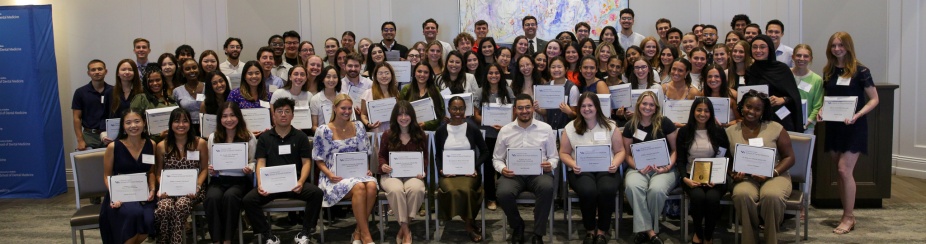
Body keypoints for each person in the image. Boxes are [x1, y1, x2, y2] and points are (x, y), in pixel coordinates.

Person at [820, 31, 880, 235]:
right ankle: (846, 214)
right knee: (840, 173)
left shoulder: (861, 71)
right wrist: (822, 110)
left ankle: (848, 216)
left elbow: (874, 99)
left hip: (854, 126)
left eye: (841, 45)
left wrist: (858, 114)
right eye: (833, 45)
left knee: (844, 170)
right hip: (834, 126)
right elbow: (828, 98)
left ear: (848, 47)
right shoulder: (828, 71)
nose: (837, 49)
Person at [241, 98, 324, 244]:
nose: (283, 114)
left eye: (287, 111)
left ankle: (305, 233)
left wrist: (301, 182)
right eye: (279, 111)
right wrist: (260, 184)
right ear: (274, 115)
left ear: (292, 115)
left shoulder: (301, 137)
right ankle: (268, 235)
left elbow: (306, 163)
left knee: (316, 193)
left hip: (294, 185)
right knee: (249, 200)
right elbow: (261, 162)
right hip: (270, 186)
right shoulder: (265, 138)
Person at [729, 90, 796, 244]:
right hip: (746, 178)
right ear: (742, 106)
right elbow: (727, 160)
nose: (751, 111)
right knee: (742, 194)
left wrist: (772, 172)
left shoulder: (776, 128)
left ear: (763, 111)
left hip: (775, 175)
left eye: (757, 109)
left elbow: (790, 157)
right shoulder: (730, 131)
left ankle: (770, 239)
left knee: (772, 196)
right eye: (748, 106)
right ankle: (749, 240)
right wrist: (733, 174)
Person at [559, 92, 626, 243]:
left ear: (597, 107)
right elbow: (563, 153)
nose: (587, 109)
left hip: (607, 169)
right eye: (583, 106)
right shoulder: (570, 128)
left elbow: (620, 151)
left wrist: (615, 163)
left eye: (590, 105)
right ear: (579, 108)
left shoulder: (610, 126)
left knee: (606, 189)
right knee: (588, 191)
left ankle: (602, 230)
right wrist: (572, 164)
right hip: (580, 170)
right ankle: (589, 230)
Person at [313, 94, 379, 244]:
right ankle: (366, 236)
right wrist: (329, 174)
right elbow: (318, 159)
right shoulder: (323, 130)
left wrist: (367, 169)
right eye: (343, 108)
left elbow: (364, 153)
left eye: (349, 108)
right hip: (333, 177)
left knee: (371, 185)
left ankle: (358, 232)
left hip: (357, 173)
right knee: (359, 187)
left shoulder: (359, 126)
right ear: (334, 108)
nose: (347, 111)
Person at [493, 94, 559, 243]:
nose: (524, 111)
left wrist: (550, 164)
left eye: (527, 107)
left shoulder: (545, 128)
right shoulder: (505, 130)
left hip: (539, 173)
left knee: (547, 188)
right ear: (515, 110)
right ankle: (517, 226)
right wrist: (502, 169)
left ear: (533, 109)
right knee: (503, 193)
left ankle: (538, 233)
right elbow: (497, 159)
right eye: (520, 108)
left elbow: (554, 157)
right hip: (513, 175)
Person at [622, 91, 678, 244]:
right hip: (639, 168)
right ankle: (651, 232)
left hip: (664, 169)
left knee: (656, 190)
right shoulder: (630, 126)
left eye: (651, 105)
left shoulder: (665, 123)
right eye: (644, 103)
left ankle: (643, 230)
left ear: (656, 107)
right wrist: (638, 167)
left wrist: (667, 167)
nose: (647, 107)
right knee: (633, 186)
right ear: (638, 105)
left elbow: (675, 150)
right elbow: (626, 155)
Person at [675, 97, 731, 244]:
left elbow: (726, 157)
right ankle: (698, 232)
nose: (702, 114)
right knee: (698, 197)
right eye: (699, 110)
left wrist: (718, 178)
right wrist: (684, 178)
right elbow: (680, 160)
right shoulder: (684, 131)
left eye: (706, 111)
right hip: (691, 175)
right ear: (693, 111)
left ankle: (708, 235)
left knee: (712, 198)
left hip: (716, 177)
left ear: (711, 113)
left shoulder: (718, 131)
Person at [434, 96, 489, 242]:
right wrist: (441, 170)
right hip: (448, 174)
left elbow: (485, 152)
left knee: (466, 190)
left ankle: (469, 226)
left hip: (469, 173)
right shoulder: (441, 131)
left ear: (465, 110)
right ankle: (468, 219)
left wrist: (474, 166)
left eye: (461, 108)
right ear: (449, 110)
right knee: (452, 190)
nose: (457, 112)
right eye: (454, 108)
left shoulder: (472, 129)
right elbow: (438, 156)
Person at [99, 108, 156, 244]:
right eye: (128, 122)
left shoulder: (151, 144)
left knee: (150, 218)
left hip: (144, 194)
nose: (133, 126)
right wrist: (115, 196)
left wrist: (153, 189)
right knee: (133, 213)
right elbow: (107, 176)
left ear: (144, 123)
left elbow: (151, 172)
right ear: (123, 126)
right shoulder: (113, 147)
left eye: (137, 121)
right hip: (120, 195)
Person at [152, 108, 208, 244]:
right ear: (171, 124)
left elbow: (204, 169)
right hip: (169, 191)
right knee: (164, 207)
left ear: (190, 123)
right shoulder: (162, 146)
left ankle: (173, 241)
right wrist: (162, 188)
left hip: (192, 190)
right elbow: (158, 172)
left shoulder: (199, 143)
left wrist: (197, 186)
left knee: (182, 204)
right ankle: (164, 240)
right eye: (177, 121)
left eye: (185, 121)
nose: (181, 125)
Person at [377, 101, 428, 244]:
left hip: (413, 175)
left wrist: (423, 170)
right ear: (395, 116)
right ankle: (406, 232)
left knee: (417, 189)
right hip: (391, 175)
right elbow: (381, 156)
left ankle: (402, 229)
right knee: (396, 190)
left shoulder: (420, 134)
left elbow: (425, 157)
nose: (404, 118)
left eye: (407, 114)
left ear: (412, 116)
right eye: (400, 114)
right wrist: (383, 165)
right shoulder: (387, 134)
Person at [205, 103, 256, 244]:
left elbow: (253, 161)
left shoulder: (249, 136)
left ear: (238, 117)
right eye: (224, 116)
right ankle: (216, 240)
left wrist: (249, 168)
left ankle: (227, 240)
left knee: (230, 197)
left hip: (239, 181)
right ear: (219, 119)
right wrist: (212, 169)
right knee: (212, 198)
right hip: (219, 180)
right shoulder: (213, 137)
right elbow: (210, 162)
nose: (229, 119)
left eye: (232, 115)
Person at [745, 35, 803, 132]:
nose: (758, 50)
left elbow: (794, 96)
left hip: (780, 117)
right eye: (754, 47)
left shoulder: (782, 69)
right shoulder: (750, 71)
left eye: (762, 47)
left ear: (770, 49)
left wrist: (782, 99)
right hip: (757, 119)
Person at [73, 59, 113, 150]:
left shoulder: (114, 91)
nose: (97, 72)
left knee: (112, 159)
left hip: (110, 136)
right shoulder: (80, 92)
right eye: (93, 70)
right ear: (88, 73)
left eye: (100, 69)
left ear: (106, 71)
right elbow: (76, 118)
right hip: (89, 136)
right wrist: (80, 140)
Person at [131, 67, 175, 142]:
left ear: (163, 81)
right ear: (146, 83)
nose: (155, 83)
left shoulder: (171, 99)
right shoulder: (141, 99)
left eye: (158, 80)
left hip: (172, 141)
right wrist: (158, 136)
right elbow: (133, 122)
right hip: (149, 142)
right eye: (151, 81)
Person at [537, 57, 580, 130]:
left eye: (559, 67)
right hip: (550, 130)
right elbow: (546, 112)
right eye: (553, 67)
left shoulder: (572, 88)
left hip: (567, 130)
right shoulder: (546, 87)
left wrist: (569, 112)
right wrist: (538, 109)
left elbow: (576, 115)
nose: (556, 70)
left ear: (566, 69)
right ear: (549, 69)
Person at [400, 62, 445, 130]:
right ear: (414, 73)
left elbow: (440, 112)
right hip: (409, 129)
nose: (422, 74)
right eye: (419, 71)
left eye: (426, 72)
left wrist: (426, 124)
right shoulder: (406, 89)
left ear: (429, 75)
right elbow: (400, 110)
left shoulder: (436, 90)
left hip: (431, 131)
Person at [790, 44, 824, 134]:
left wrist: (807, 123)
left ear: (811, 58)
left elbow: (817, 105)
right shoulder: (785, 75)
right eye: (798, 55)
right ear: (793, 57)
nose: (802, 59)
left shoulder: (817, 80)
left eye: (806, 56)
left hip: (807, 127)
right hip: (787, 124)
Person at [360, 62, 399, 133]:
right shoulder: (368, 93)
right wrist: (368, 124)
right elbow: (363, 114)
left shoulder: (396, 93)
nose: (384, 76)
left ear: (392, 75)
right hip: (376, 131)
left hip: (393, 131)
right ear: (375, 76)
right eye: (380, 73)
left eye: (387, 73)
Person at [172, 59, 205, 136]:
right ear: (183, 73)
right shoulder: (177, 91)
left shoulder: (208, 87)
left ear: (199, 69)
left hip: (206, 125)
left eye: (194, 67)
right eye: (187, 69)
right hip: (185, 128)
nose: (192, 71)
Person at [310, 66, 342, 132]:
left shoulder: (343, 97)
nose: (331, 80)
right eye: (328, 77)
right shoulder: (315, 99)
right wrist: (325, 133)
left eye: (335, 77)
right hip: (323, 135)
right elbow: (314, 126)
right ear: (322, 79)